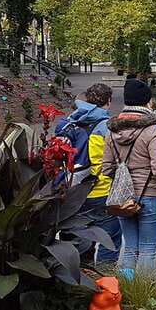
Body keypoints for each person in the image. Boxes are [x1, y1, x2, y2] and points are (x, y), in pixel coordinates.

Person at [102, 79, 156, 278]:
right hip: (151, 195)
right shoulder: (152, 130)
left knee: (130, 249)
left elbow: (106, 168)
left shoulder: (112, 131)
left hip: (122, 198)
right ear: (147, 102)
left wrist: (122, 179)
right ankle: (143, 296)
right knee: (147, 251)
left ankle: (126, 293)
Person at [55, 83, 120, 264]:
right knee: (110, 239)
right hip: (100, 191)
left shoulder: (69, 122)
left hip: (72, 191)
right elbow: (105, 162)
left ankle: (80, 280)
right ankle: (104, 285)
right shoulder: (105, 126)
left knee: (77, 240)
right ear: (108, 101)